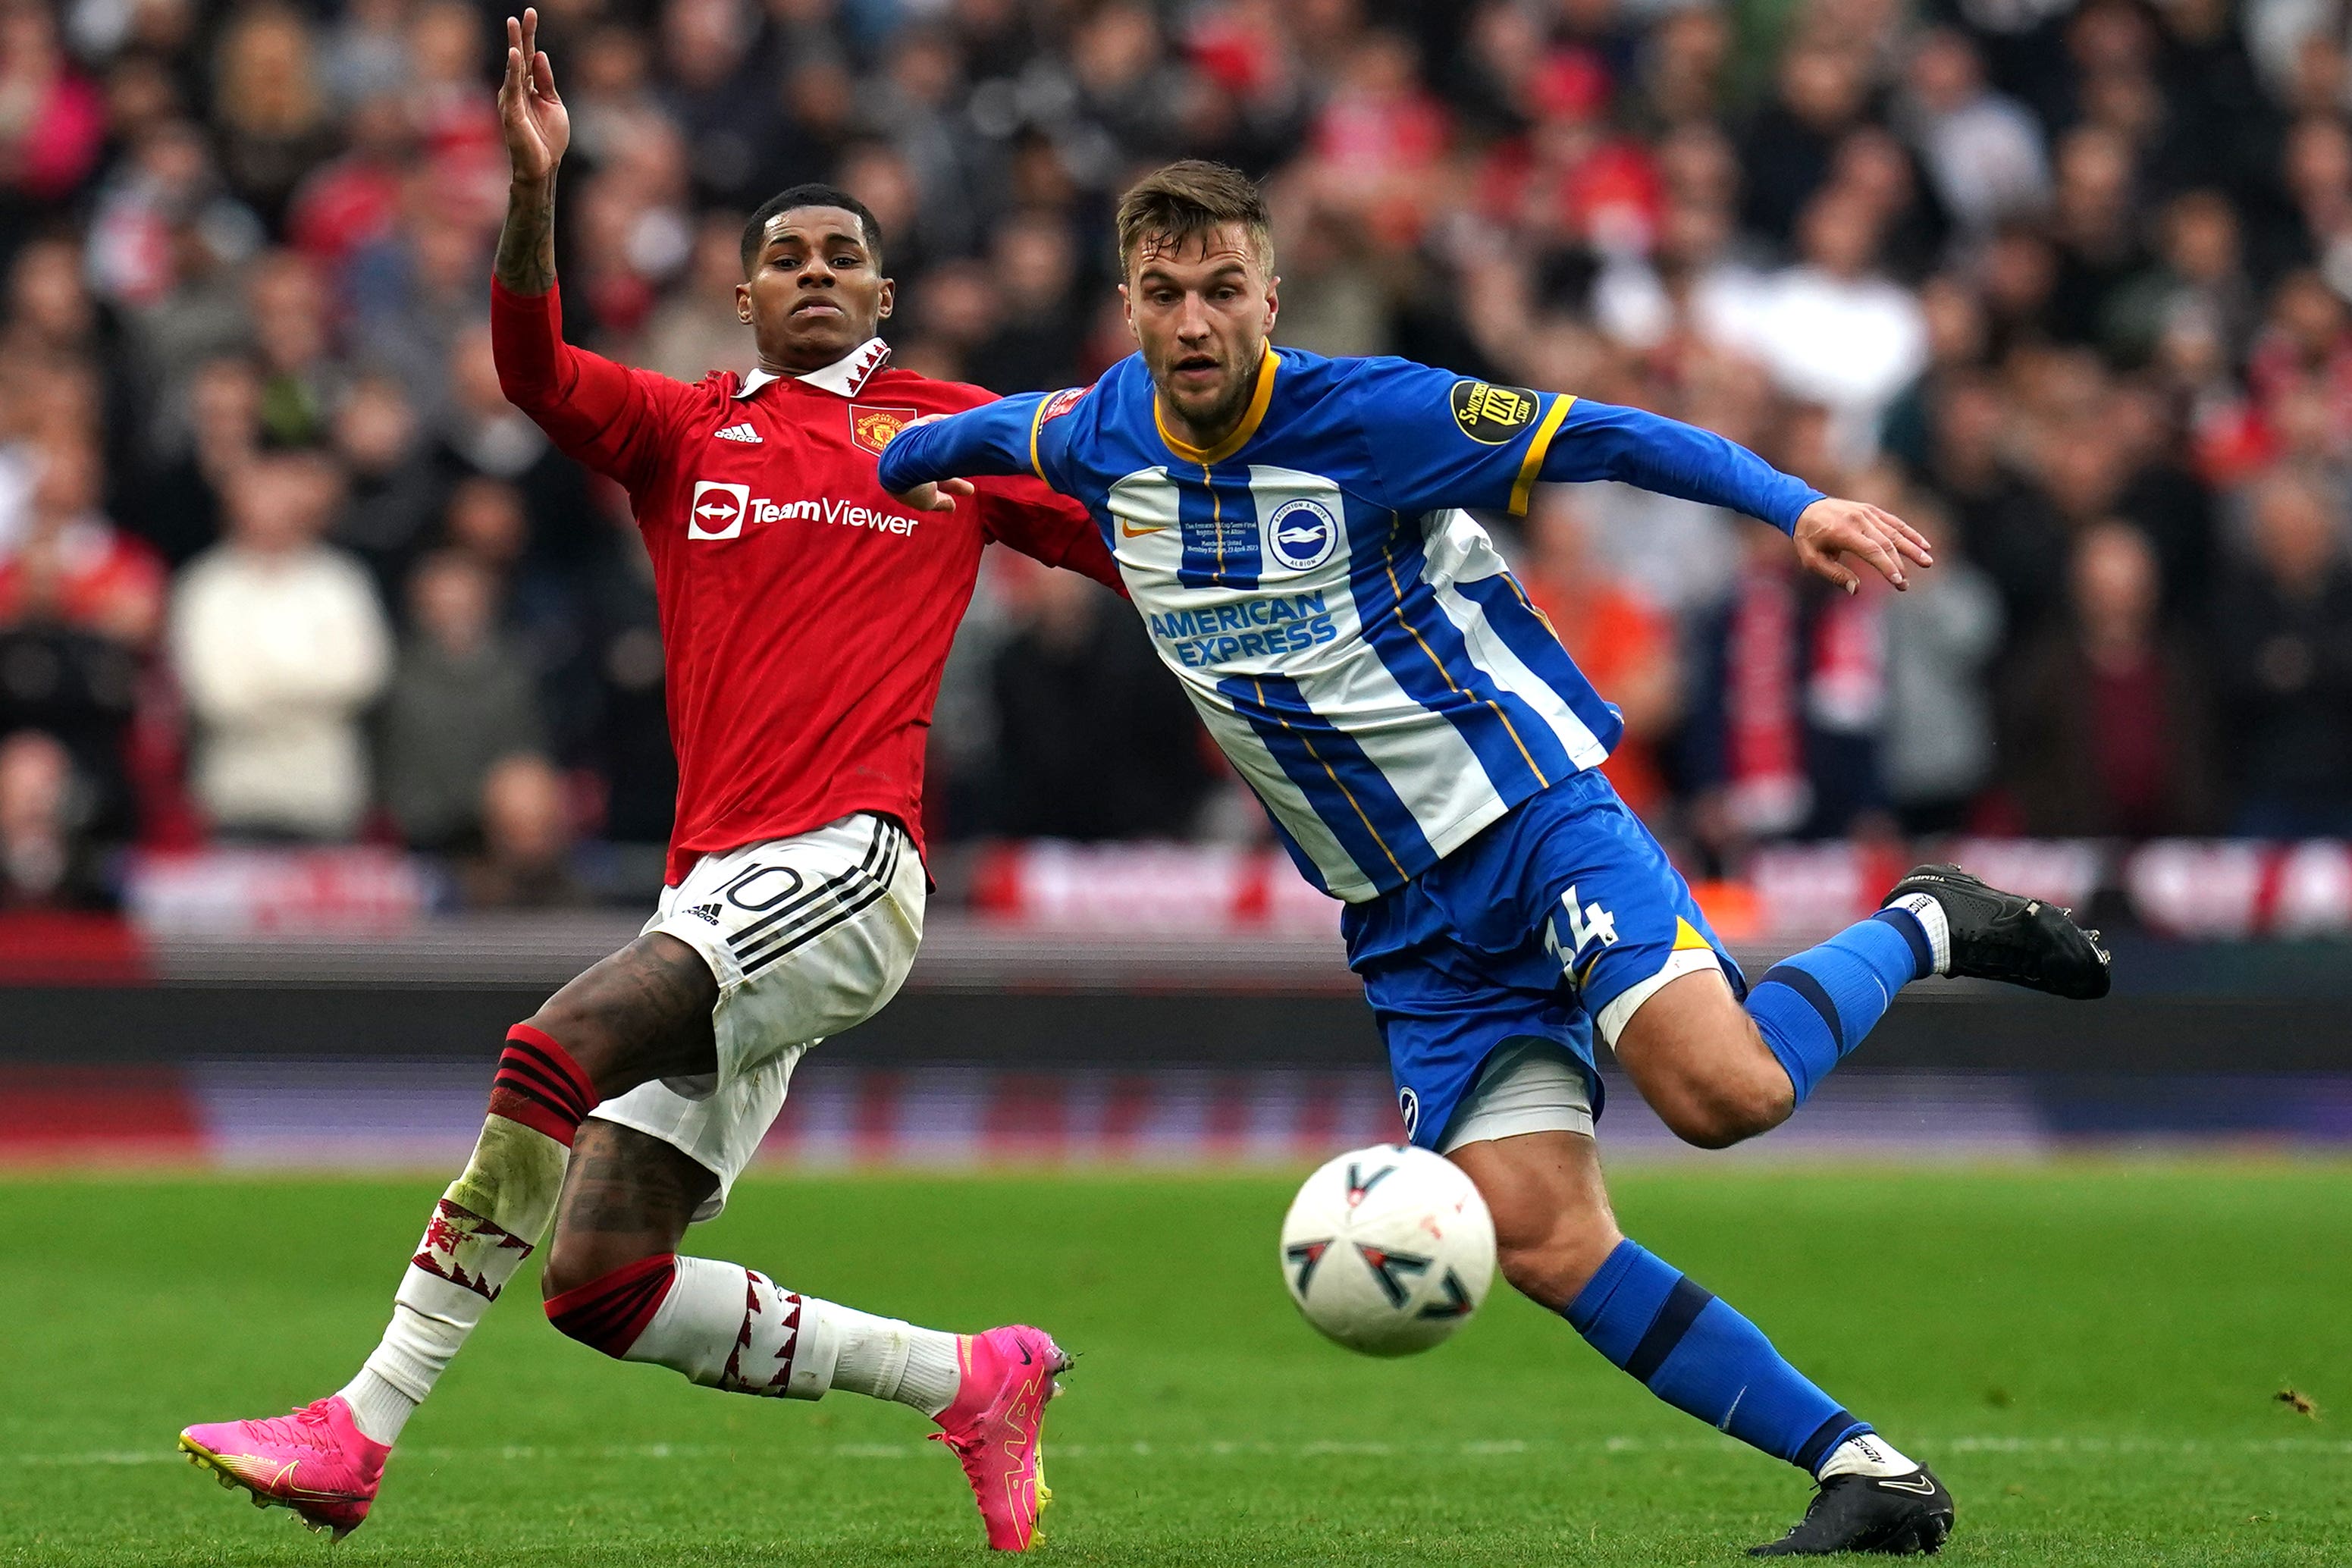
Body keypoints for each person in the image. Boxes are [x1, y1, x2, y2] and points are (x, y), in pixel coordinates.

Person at [880, 159, 2113, 1557]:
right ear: (1130, 306)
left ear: (1271, 299)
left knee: (1724, 1096)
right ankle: (1866, 1470)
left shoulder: (1376, 416)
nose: (1195, 321)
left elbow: (1609, 437)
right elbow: (963, 439)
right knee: (1540, 1239)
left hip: (1529, 819)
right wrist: (884, 473)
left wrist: (1794, 508)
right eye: (1165, 294)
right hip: (1403, 924)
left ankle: (1928, 921)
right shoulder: (1095, 433)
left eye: (1223, 288)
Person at [178, 13, 1120, 1553]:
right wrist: (535, 188)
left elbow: (1126, 544)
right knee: (604, 1281)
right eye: (785, 256)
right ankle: (971, 1375)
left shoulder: (954, 431)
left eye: (843, 255)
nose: (813, 271)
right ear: (742, 294)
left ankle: (357, 1425)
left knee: (549, 1047)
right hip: (721, 886)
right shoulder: (686, 429)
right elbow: (532, 369)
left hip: (849, 860)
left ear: (882, 294)